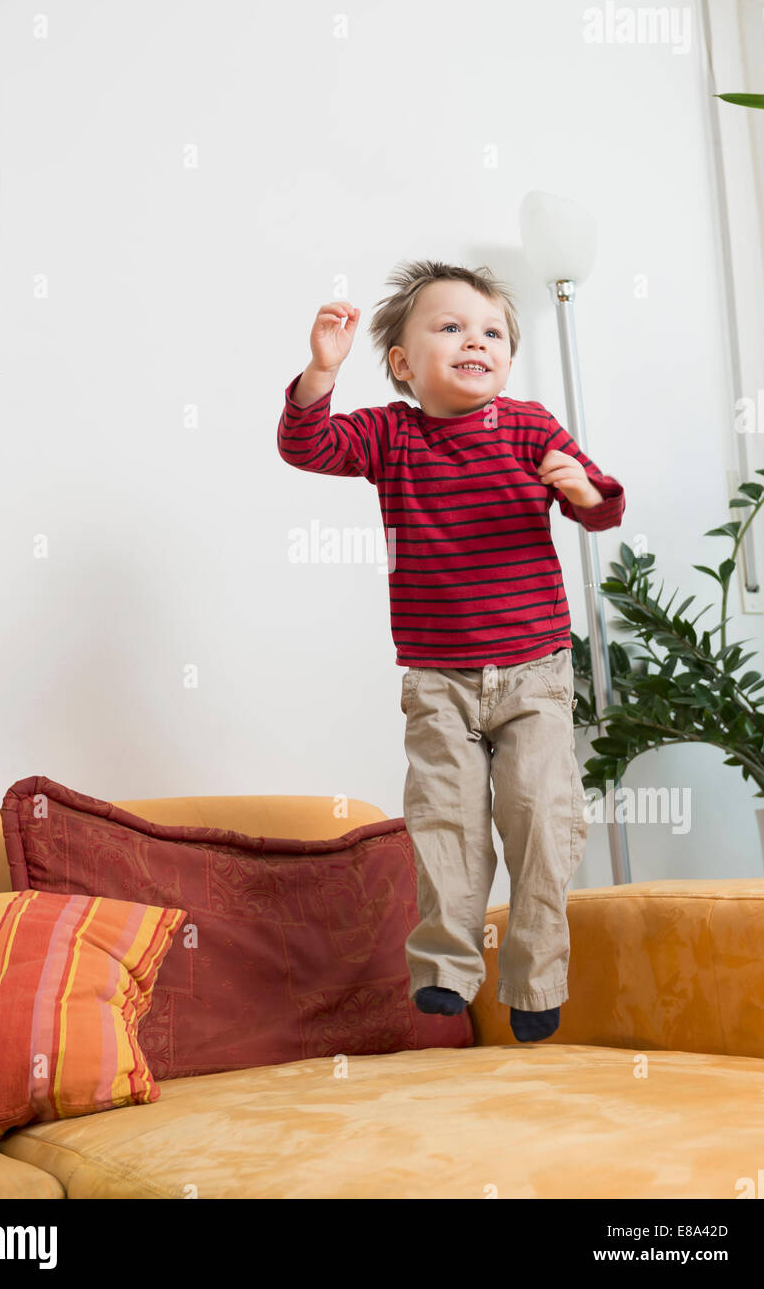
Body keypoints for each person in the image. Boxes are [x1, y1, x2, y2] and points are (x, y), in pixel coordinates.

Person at [277, 260, 625, 1042]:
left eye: (492, 331)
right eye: (451, 327)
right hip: (437, 680)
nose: (477, 340)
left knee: (540, 816)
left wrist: (580, 489)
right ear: (402, 363)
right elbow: (310, 447)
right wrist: (319, 374)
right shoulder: (389, 434)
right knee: (444, 822)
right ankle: (444, 968)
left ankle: (536, 977)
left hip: (534, 673)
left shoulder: (530, 426)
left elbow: (602, 507)